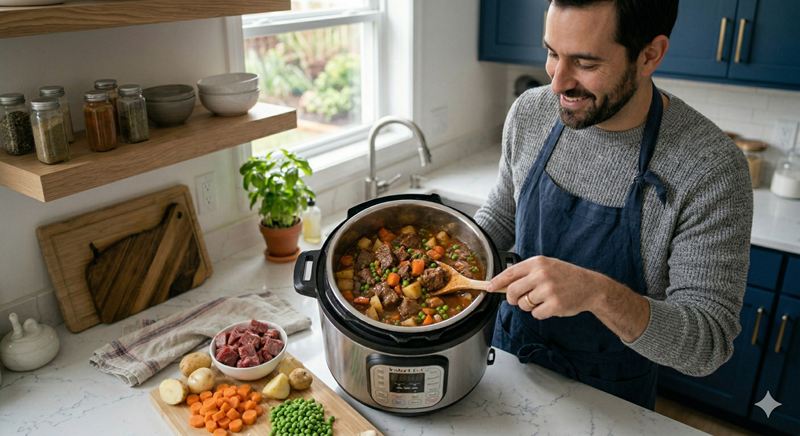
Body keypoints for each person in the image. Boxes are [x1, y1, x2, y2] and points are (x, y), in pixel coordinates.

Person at [474, 0, 753, 410]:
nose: (557, 84)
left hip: (610, 398)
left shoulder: (711, 168)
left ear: (649, 55)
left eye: (585, 63)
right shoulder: (530, 114)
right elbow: (500, 217)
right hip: (507, 360)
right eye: (552, 53)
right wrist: (447, 246)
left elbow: (707, 344)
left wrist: (598, 293)